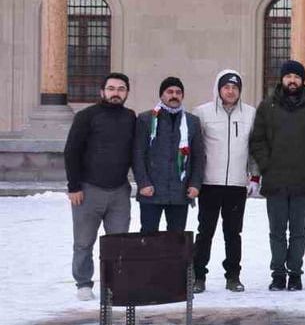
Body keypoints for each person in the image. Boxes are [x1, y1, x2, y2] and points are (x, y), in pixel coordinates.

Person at [249, 60, 305, 291]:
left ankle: (295, 273)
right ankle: (278, 274)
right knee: (276, 232)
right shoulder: (267, 106)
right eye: (288, 77)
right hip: (275, 180)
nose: (292, 81)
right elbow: (258, 140)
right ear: (281, 79)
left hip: (302, 180)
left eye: (296, 77)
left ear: (303, 80)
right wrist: (266, 165)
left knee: (298, 232)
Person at [64, 72, 136, 300]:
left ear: (126, 93)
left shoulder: (130, 117)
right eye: (112, 88)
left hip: (119, 191)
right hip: (88, 190)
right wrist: (74, 186)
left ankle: (114, 284)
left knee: (118, 242)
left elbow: (136, 152)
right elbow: (71, 151)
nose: (116, 93)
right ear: (102, 92)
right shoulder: (86, 116)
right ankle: (84, 283)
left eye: (121, 89)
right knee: (84, 241)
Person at [192, 69, 258, 293]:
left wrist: (254, 176)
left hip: (237, 185)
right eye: (226, 87)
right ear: (218, 89)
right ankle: (198, 276)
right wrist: (195, 179)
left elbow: (254, 148)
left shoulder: (250, 114)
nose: (231, 91)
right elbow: (195, 149)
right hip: (210, 183)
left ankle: (233, 276)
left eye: (235, 87)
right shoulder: (203, 112)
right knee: (205, 231)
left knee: (233, 233)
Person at [133, 76, 204, 233]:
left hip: (180, 191)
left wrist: (195, 184)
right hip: (151, 191)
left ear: (182, 96)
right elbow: (138, 153)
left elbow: (199, 157)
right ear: (161, 95)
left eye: (178, 92)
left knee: (176, 239)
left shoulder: (192, 122)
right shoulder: (146, 119)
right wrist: (143, 183)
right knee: (148, 236)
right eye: (169, 91)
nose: (174, 95)